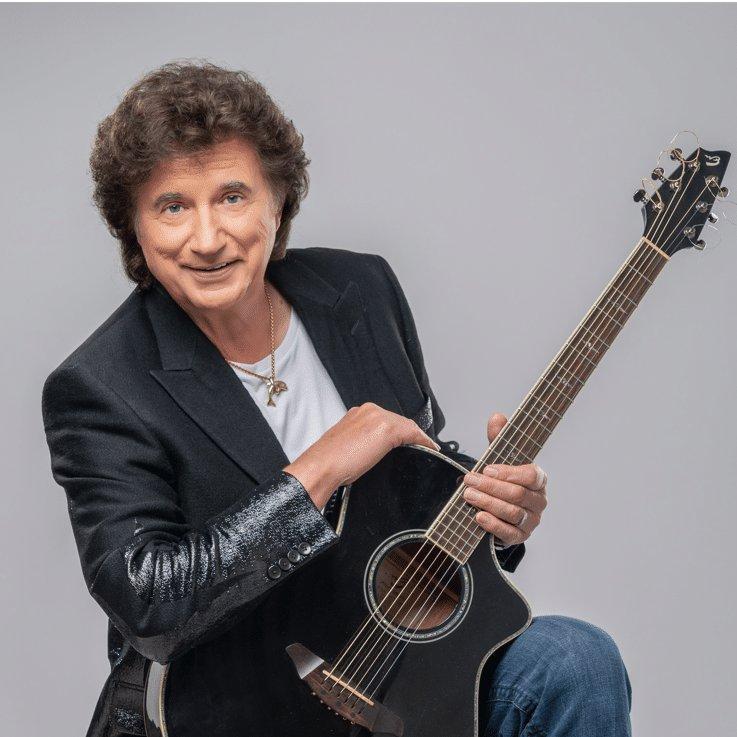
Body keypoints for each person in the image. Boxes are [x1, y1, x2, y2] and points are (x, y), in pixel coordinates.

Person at [41, 61, 632, 737]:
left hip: (387, 672)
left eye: (232, 196)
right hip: (225, 708)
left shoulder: (359, 291)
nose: (207, 239)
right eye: (173, 206)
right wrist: (319, 466)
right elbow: (150, 604)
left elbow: (412, 496)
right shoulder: (100, 387)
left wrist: (495, 511)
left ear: (278, 202)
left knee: (576, 661)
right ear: (135, 227)